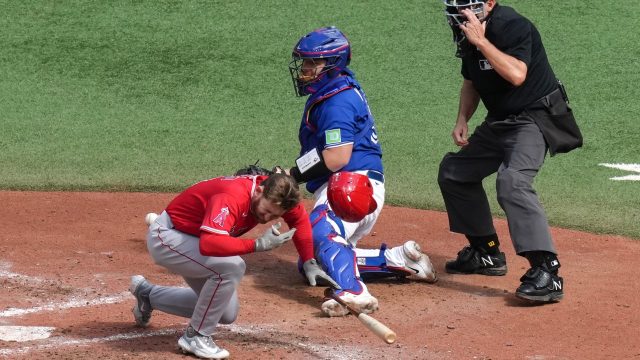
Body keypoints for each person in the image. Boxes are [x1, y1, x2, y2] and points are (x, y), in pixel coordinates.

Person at [285, 26, 437, 317]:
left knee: (321, 233)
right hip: (354, 182)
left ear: (332, 65)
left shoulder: (337, 102)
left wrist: (292, 174)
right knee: (313, 264)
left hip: (350, 185)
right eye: (304, 62)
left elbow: (337, 157)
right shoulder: (336, 88)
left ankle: (354, 292)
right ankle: (399, 260)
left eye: (311, 63)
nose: (304, 69)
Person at [439, 0, 582, 303]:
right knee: (455, 172)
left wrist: (481, 41)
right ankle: (486, 252)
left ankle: (547, 272)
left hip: (534, 118)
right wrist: (462, 118)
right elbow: (471, 81)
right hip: (499, 122)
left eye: (466, 5)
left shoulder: (513, 26)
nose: (459, 12)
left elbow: (517, 74)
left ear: (489, 3)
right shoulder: (467, 32)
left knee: (512, 182)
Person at [129, 173, 336, 359]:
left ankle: (148, 295)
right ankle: (196, 337)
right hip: (167, 238)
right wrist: (256, 245)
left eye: (275, 215)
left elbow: (299, 220)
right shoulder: (233, 196)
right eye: (266, 211)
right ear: (259, 190)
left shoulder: (280, 195)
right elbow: (209, 244)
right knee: (232, 266)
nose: (267, 218)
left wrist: (309, 261)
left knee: (225, 312)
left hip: (191, 240)